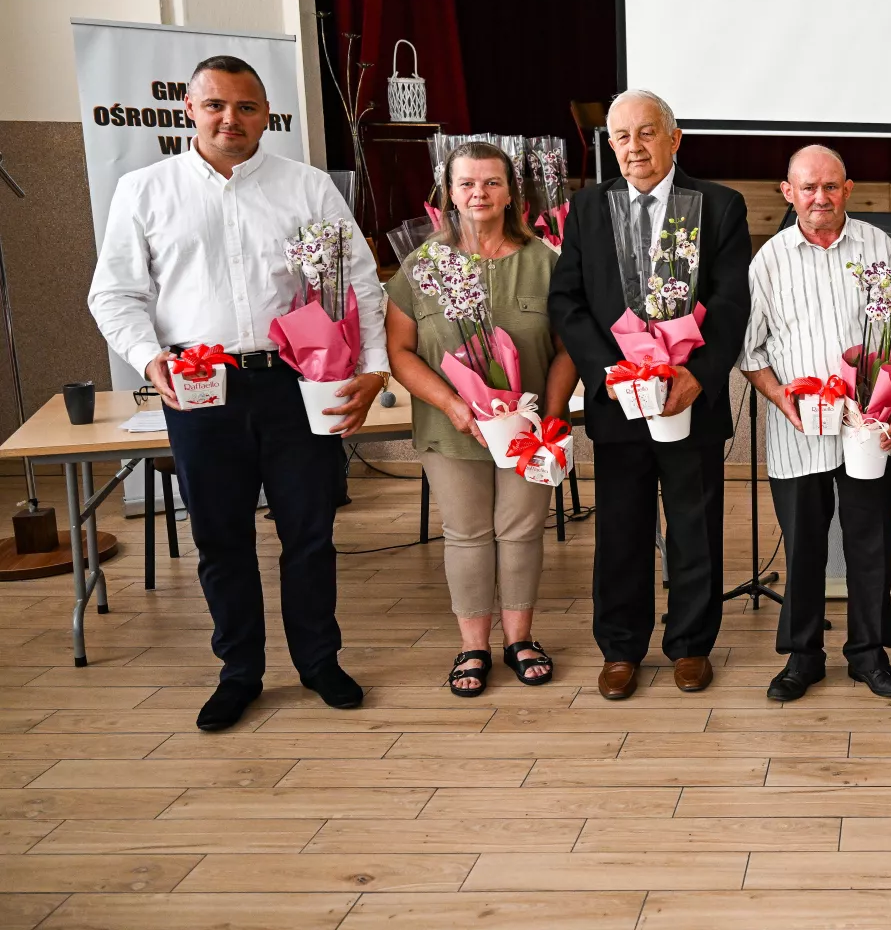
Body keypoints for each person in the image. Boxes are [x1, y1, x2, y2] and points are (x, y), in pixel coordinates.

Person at [88, 55, 390, 731]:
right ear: (190, 110)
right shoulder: (145, 190)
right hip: (200, 385)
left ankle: (319, 662)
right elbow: (114, 294)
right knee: (221, 538)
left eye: (247, 107)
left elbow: (361, 285)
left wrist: (373, 371)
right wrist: (149, 358)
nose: (231, 118)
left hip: (297, 384)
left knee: (310, 533)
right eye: (216, 105)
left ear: (266, 115)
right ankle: (240, 672)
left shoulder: (307, 188)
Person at [548, 89, 751, 699]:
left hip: (690, 399)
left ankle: (691, 645)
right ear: (609, 145)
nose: (633, 147)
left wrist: (701, 374)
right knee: (620, 529)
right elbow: (567, 301)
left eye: (646, 132)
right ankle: (620, 648)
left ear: (674, 138)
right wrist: (611, 373)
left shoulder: (718, 205)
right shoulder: (588, 207)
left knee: (695, 527)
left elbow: (732, 302)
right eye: (621, 137)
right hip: (619, 401)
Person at [740, 145, 891, 702]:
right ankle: (803, 657)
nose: (820, 197)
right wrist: (779, 397)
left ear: (848, 189)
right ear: (789, 193)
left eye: (831, 186)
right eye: (808, 187)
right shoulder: (769, 260)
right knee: (803, 546)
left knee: (869, 543)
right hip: (798, 430)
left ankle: (868, 655)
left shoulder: (880, 249)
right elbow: (750, 351)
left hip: (869, 429)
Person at [385, 141, 580, 695]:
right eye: (467, 183)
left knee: (522, 531)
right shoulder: (421, 266)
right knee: (467, 534)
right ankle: (473, 647)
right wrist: (453, 405)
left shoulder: (546, 261)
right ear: (449, 193)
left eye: (492, 182)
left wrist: (550, 417)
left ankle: (520, 640)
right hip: (450, 428)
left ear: (511, 192)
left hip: (529, 430)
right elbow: (400, 351)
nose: (479, 193)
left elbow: (567, 349)